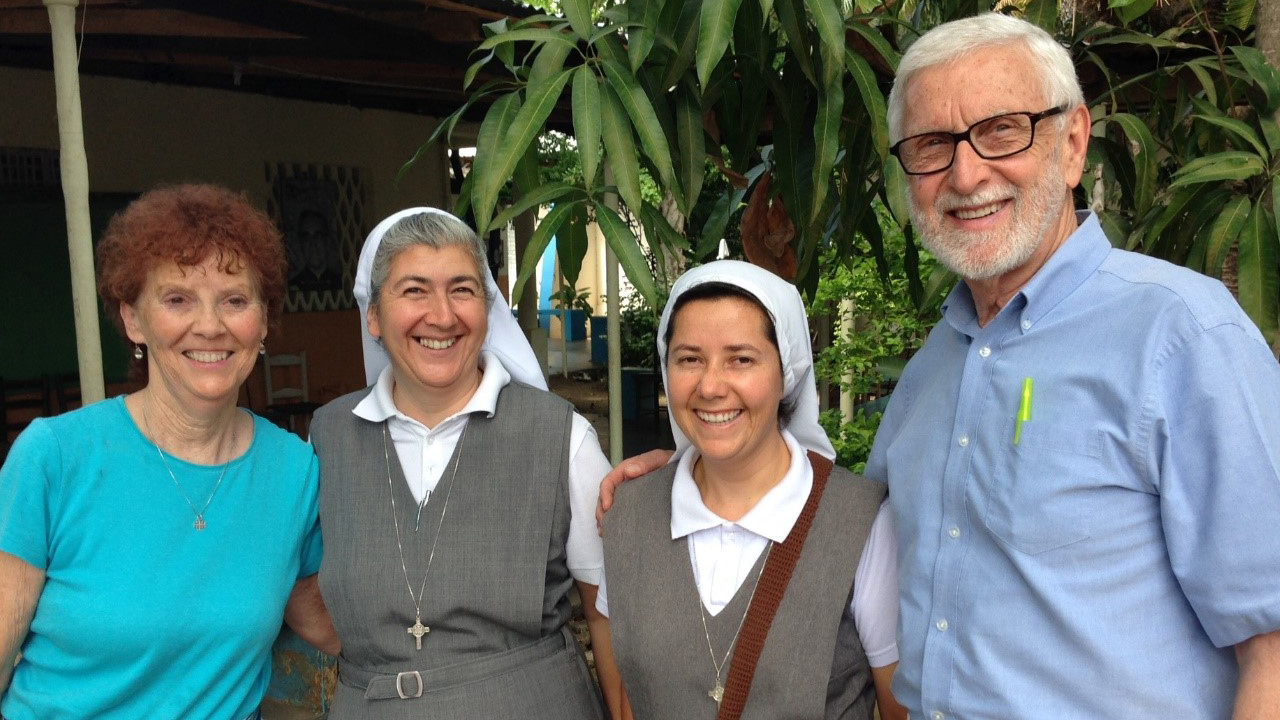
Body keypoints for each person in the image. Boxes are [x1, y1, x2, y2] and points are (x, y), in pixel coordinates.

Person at [599, 13, 1280, 719]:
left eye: (1002, 130)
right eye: (931, 145)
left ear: (1073, 143)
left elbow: (1271, 644)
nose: (966, 173)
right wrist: (702, 469)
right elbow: (839, 518)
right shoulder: (935, 369)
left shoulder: (1179, 338)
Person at [0, 184, 334, 720]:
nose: (210, 325)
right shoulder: (55, 457)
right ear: (133, 319)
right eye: (177, 299)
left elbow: (329, 623)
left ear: (264, 321)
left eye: (235, 300)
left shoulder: (293, 471)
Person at [309, 207, 621, 718]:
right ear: (373, 315)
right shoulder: (327, 438)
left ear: (487, 305)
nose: (442, 315)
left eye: (462, 289)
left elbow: (608, 609)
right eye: (414, 290)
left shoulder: (561, 436)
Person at [598, 261, 906, 720]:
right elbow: (629, 699)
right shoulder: (629, 513)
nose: (711, 386)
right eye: (689, 359)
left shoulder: (859, 522)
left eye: (741, 359)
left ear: (787, 372)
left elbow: (898, 706)